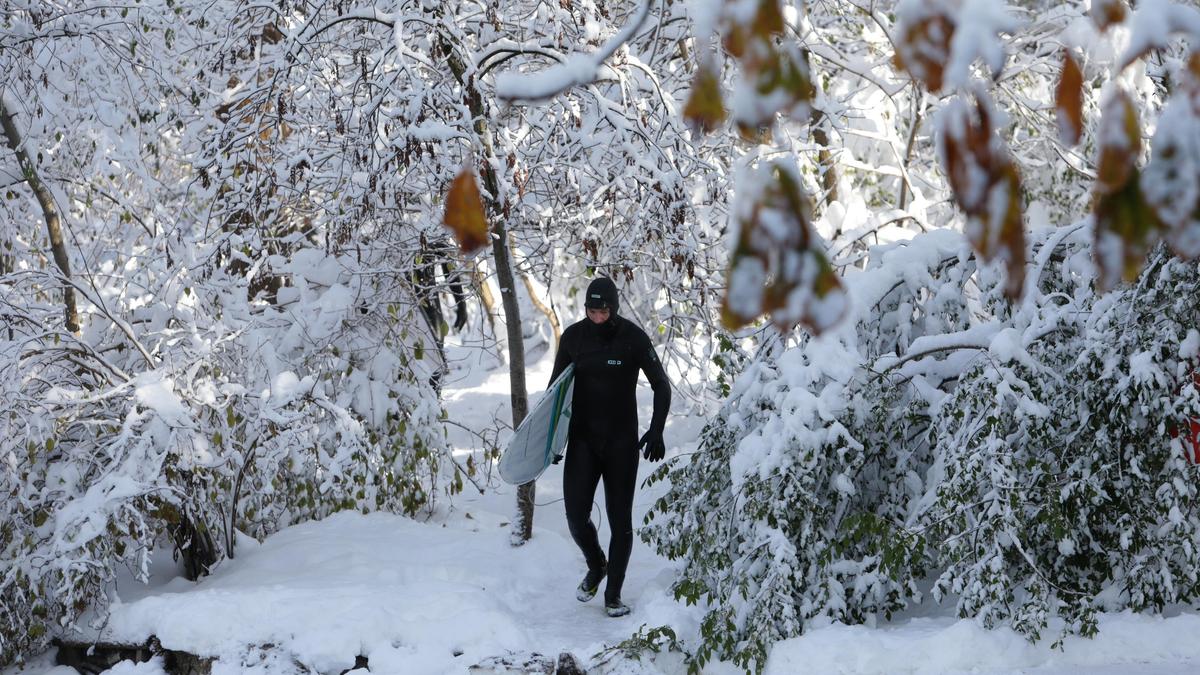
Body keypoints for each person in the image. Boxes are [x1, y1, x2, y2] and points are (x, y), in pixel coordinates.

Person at [547, 277, 671, 617]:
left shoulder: (632, 339)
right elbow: (554, 394)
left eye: (602, 311)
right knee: (575, 517)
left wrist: (656, 430)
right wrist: (551, 440)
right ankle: (596, 564)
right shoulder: (573, 338)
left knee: (620, 521)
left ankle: (613, 594)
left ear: (613, 308)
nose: (596, 317)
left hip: (620, 443)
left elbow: (661, 385)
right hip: (583, 441)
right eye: (591, 310)